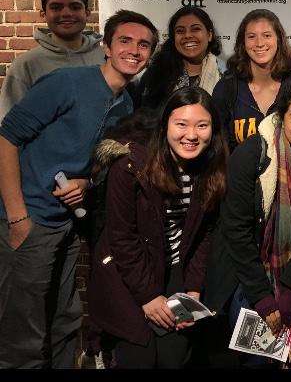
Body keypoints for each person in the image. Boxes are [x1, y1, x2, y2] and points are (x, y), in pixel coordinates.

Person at [0, 10, 158, 368]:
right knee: (22, 333)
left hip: (68, 225)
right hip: (32, 220)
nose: (134, 50)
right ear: (106, 46)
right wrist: (17, 217)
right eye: (125, 41)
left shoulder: (127, 103)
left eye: (144, 44)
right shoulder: (66, 83)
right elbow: (6, 138)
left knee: (65, 319)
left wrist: (86, 181)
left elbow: (97, 160)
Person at [87, 87, 228, 369]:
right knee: (139, 356)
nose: (191, 135)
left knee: (172, 357)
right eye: (181, 124)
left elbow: (203, 235)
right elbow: (122, 238)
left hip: (175, 266)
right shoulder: (130, 165)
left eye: (202, 125)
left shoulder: (211, 168)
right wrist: (148, 297)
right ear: (165, 126)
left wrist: (193, 290)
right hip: (128, 268)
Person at [205, 77, 291, 368]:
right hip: (247, 275)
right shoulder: (252, 154)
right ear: (281, 117)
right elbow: (236, 231)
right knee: (257, 361)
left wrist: (290, 289)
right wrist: (263, 297)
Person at [0, 0, 104, 120]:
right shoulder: (25, 65)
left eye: (75, 7)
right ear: (44, 14)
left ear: (87, 13)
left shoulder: (107, 57)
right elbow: (8, 126)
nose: (66, 13)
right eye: (56, 7)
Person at [212, 9, 291, 152]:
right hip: (238, 173)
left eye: (267, 35)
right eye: (251, 37)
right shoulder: (227, 87)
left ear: (278, 39)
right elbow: (219, 146)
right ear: (242, 43)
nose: (259, 43)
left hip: (290, 173)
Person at [139, 6, 225, 110]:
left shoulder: (226, 75)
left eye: (196, 29)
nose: (188, 35)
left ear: (209, 35)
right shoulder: (155, 74)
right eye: (180, 31)